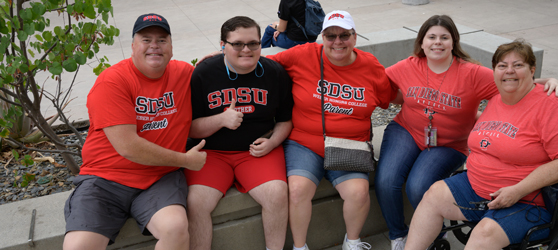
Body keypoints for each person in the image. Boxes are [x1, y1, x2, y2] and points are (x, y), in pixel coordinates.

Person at [376, 15, 558, 250]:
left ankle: (434, 235)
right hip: (407, 130)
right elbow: (376, 82)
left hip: (450, 142)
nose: (438, 42)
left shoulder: (472, 73)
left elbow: (513, 81)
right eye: (431, 37)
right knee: (386, 180)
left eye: (444, 37)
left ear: (454, 42)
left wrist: (550, 80)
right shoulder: (408, 66)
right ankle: (398, 235)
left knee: (418, 186)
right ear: (422, 43)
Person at [404, 39, 558, 250]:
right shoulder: (497, 99)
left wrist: (518, 190)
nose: (509, 71)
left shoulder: (556, 106)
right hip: (477, 189)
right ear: (494, 71)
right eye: (502, 65)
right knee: (432, 196)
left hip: (528, 201)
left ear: (532, 70)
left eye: (517, 65)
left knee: (484, 234)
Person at [62, 13, 207, 250]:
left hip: (160, 177)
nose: (154, 46)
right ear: (132, 46)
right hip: (105, 179)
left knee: (175, 228)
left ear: (171, 47)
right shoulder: (112, 81)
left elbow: (223, 69)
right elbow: (128, 147)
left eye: (162, 40)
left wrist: (223, 57)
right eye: (146, 39)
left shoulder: (183, 73)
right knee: (79, 246)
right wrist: (186, 160)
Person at [266, 10, 396, 250]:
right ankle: (299, 246)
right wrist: (221, 58)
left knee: (359, 192)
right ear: (322, 37)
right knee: (298, 189)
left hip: (349, 144)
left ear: (355, 37)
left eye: (344, 35)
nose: (338, 42)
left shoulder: (370, 65)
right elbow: (264, 64)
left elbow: (389, 97)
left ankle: (352, 242)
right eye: (330, 36)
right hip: (304, 143)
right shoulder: (304, 54)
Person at [185, 16, 293, 250]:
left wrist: (273, 142)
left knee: (276, 193)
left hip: (257, 152)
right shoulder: (205, 72)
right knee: (195, 202)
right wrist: (220, 120)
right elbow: (190, 128)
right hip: (212, 153)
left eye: (253, 43)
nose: (246, 50)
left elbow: (285, 120)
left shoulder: (274, 72)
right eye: (237, 44)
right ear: (222, 45)